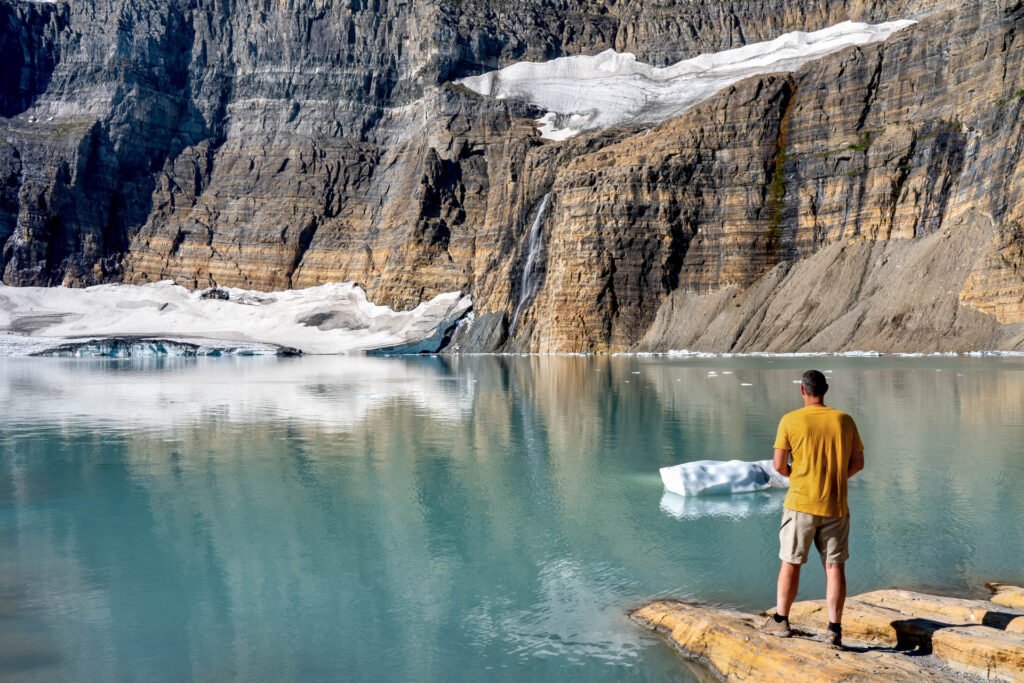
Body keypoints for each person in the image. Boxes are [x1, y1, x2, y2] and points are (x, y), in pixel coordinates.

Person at [760, 369, 865, 649]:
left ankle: (781, 622)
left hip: (800, 504)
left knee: (790, 562)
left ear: (802, 390)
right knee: (834, 567)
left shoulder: (790, 420)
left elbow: (779, 465)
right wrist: (833, 479)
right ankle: (834, 630)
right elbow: (857, 463)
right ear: (826, 390)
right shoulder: (844, 420)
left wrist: (802, 479)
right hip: (835, 505)